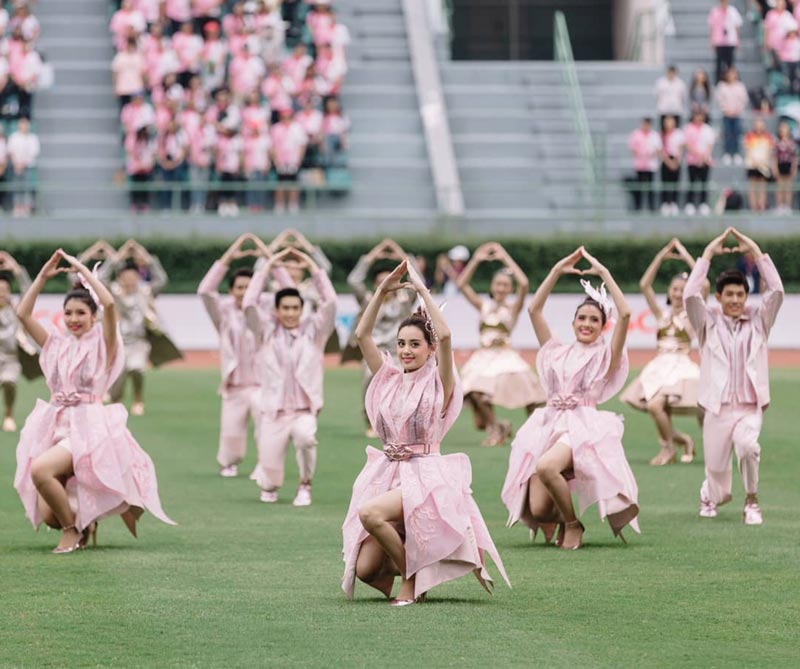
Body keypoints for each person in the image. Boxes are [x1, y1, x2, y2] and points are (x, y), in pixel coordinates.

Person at [341, 260, 510, 605]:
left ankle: (413, 577)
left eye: (415, 344)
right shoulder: (387, 378)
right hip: (389, 473)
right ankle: (409, 551)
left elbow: (445, 335)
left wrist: (421, 290)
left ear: (429, 349)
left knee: (369, 514)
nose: (405, 350)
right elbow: (362, 335)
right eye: (402, 343)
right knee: (366, 571)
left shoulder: (439, 382)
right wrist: (382, 290)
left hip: (426, 475)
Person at [13, 249, 175, 553]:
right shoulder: (55, 345)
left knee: (40, 471)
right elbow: (22, 314)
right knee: (48, 513)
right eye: (69, 313)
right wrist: (42, 277)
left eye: (81, 313)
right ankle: (83, 522)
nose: (74, 319)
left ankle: (72, 530)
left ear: (93, 316)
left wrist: (82, 271)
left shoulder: (104, 344)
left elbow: (111, 303)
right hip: (56, 424)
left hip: (87, 427)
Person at [501, 247, 639, 550]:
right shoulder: (556, 350)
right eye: (581, 318)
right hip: (549, 422)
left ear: (603, 325)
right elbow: (534, 310)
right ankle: (564, 519)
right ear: (573, 321)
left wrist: (603, 272)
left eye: (593, 319)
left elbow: (626, 313)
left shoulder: (606, 355)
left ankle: (574, 525)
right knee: (538, 509)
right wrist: (556, 272)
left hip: (582, 425)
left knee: (547, 467)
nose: (586, 324)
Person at [685, 228, 783, 525]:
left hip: (749, 408)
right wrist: (708, 254)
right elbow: (690, 294)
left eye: (741, 294)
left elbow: (777, 290)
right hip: (717, 408)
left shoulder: (759, 320)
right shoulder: (707, 323)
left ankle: (752, 501)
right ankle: (708, 494)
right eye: (730, 294)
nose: (736, 299)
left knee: (748, 447)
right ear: (718, 297)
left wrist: (754, 250)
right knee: (717, 476)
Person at [243, 247, 336, 507]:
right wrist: (266, 268)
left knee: (306, 437)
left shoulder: (314, 334)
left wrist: (314, 267)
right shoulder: (265, 333)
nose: (291, 313)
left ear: (302, 309)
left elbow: (330, 303)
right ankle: (270, 481)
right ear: (276, 310)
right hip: (274, 412)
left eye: (295, 308)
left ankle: (305, 485)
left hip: (304, 410)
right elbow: (249, 304)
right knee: (269, 485)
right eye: (285, 308)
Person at [620, 238, 703, 465]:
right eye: (675, 289)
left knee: (657, 405)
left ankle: (668, 449)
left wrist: (685, 254)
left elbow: (703, 284)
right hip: (660, 366)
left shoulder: (693, 313)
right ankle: (682, 440)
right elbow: (645, 285)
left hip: (680, 366)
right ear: (669, 291)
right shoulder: (662, 314)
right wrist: (660, 257)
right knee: (651, 406)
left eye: (683, 290)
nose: (678, 293)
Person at [455, 242, 546, 446]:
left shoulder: (513, 308)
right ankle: (497, 427)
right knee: (474, 391)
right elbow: (461, 284)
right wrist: (476, 259)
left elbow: (524, 284)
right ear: (492, 287)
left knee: (533, 395)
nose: (501, 288)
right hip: (483, 357)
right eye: (498, 284)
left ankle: (535, 433)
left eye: (505, 285)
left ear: (509, 289)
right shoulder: (483, 305)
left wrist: (504, 256)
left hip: (505, 356)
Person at [198, 233, 272, 478]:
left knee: (266, 428)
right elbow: (205, 290)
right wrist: (229, 256)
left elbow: (285, 286)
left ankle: (264, 465)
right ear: (231, 290)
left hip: (262, 384)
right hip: (235, 385)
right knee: (231, 431)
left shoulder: (267, 310)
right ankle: (229, 463)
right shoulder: (223, 313)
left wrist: (266, 254)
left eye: (249, 287)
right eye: (239, 287)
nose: (243, 292)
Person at [345, 239, 415, 438]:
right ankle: (370, 421)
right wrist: (370, 257)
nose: (388, 285)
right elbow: (354, 281)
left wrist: (403, 257)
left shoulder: (404, 300)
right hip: (374, 352)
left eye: (391, 280)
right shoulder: (369, 300)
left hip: (399, 352)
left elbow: (418, 278)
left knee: (405, 386)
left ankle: (401, 423)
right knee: (369, 382)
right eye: (383, 282)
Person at [98, 239, 176, 416]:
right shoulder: (114, 293)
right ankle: (116, 400)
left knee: (136, 368)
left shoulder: (145, 292)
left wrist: (147, 258)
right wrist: (116, 258)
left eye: (133, 276)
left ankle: (138, 399)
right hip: (118, 343)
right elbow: (101, 278)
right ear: (120, 277)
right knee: (118, 378)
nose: (130, 280)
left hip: (139, 341)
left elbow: (161, 279)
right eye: (126, 276)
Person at [0, 251, 31, 432]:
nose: (1, 293)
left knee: (9, 381)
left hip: (11, 358)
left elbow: (28, 289)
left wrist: (16, 268)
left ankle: (9, 413)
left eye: (4, 290)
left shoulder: (17, 309)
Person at [683, 111, 716, 216]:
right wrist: (697, 156)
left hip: (705, 160)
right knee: (692, 182)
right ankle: (690, 204)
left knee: (704, 183)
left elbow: (709, 145)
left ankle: (703, 204)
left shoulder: (707, 129)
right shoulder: (688, 128)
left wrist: (703, 157)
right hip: (692, 160)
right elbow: (687, 144)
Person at [7, 117, 39, 218]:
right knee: (17, 187)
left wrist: (23, 163)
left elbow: (34, 152)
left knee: (27, 187)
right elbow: (10, 151)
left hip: (29, 167)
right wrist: (17, 164)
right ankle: (17, 208)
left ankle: (27, 208)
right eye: (22, 124)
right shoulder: (14, 137)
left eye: (25, 124)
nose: (24, 126)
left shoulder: (33, 137)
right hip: (16, 166)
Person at [716, 67, 748, 165]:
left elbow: (744, 99)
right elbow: (720, 100)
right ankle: (727, 153)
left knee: (736, 134)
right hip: (726, 114)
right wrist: (726, 110)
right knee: (727, 134)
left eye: (733, 73)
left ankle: (736, 153)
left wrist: (737, 110)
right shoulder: (721, 86)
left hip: (737, 114)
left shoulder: (740, 86)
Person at [628, 117, 662, 212]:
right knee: (639, 187)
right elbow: (632, 149)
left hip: (651, 165)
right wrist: (641, 155)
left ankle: (652, 207)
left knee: (650, 187)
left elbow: (658, 149)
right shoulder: (636, 134)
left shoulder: (654, 135)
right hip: (639, 165)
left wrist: (650, 154)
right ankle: (638, 206)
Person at [743, 117, 775, 212]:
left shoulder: (768, 137)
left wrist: (763, 162)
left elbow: (769, 152)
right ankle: (753, 207)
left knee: (762, 187)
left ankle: (761, 206)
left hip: (763, 165)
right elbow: (748, 151)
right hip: (752, 164)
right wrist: (755, 162)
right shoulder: (749, 136)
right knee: (752, 187)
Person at [708, 0, 743, 83]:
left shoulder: (732, 11)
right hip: (719, 41)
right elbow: (712, 27)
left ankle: (732, 81)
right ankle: (718, 82)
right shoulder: (715, 11)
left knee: (730, 63)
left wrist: (737, 39)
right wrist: (712, 40)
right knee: (719, 64)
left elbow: (737, 26)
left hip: (730, 41)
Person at [660, 114, 684, 216]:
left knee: (675, 183)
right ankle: (666, 203)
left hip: (675, 160)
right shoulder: (662, 135)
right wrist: (668, 162)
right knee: (665, 183)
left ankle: (674, 203)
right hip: (665, 160)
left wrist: (676, 162)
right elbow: (660, 150)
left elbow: (680, 148)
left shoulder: (678, 134)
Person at [773, 120, 797, 213]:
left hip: (788, 165)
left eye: (785, 127)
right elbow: (774, 157)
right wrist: (775, 168)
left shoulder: (792, 143)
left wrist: (794, 168)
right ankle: (779, 206)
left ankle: (788, 206)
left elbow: (794, 157)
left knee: (788, 187)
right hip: (780, 165)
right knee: (779, 187)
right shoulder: (777, 142)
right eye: (782, 127)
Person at [654, 65, 687, 130]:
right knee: (664, 130)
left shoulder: (680, 83)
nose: (671, 74)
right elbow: (657, 95)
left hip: (676, 110)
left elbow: (683, 96)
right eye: (669, 72)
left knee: (676, 130)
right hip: (663, 109)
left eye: (673, 73)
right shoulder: (660, 82)